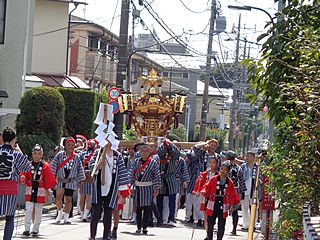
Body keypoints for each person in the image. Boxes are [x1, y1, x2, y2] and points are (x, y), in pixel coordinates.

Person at [89, 140, 130, 240]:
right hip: (98, 187)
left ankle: (106, 236)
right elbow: (91, 167)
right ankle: (92, 236)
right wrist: (98, 165)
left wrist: (122, 191)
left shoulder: (117, 155)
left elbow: (122, 172)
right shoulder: (98, 153)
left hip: (111, 187)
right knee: (96, 212)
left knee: (108, 213)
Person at [0, 127, 32, 240]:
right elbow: (28, 167)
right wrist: (18, 150)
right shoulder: (16, 154)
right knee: (9, 218)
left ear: (2, 139)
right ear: (14, 140)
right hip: (10, 190)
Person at [20, 144, 57, 236]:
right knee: (28, 209)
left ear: (42, 155)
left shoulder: (45, 166)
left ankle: (36, 229)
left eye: (39, 153)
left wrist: (48, 190)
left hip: (40, 188)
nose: (37, 155)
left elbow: (48, 179)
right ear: (32, 154)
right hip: (30, 187)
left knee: (38, 210)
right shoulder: (28, 164)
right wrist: (22, 177)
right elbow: (23, 175)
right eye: (35, 153)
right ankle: (27, 229)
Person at [201, 161, 240, 240]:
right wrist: (204, 192)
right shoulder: (213, 179)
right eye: (221, 169)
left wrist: (231, 205)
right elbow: (206, 186)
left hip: (223, 203)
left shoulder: (230, 182)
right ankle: (209, 238)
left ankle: (219, 238)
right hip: (213, 202)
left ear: (228, 171)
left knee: (221, 224)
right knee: (210, 222)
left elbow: (232, 195)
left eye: (225, 170)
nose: (222, 171)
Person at [51, 137, 85, 224]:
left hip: (71, 181)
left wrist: (81, 179)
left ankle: (66, 217)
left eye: (72, 145)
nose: (70, 147)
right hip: (60, 179)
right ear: (65, 146)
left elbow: (80, 169)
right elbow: (54, 166)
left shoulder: (77, 157)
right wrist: (52, 178)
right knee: (58, 198)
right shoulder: (59, 155)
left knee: (69, 199)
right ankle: (59, 212)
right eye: (69, 145)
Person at [185, 139, 220, 226]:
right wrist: (204, 144)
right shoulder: (202, 154)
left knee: (210, 201)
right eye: (211, 145)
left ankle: (207, 219)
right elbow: (193, 151)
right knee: (198, 201)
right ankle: (199, 218)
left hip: (212, 179)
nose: (212, 147)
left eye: (214, 146)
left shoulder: (217, 156)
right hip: (202, 178)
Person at [128, 142, 161, 235]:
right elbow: (131, 172)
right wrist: (129, 185)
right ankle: (138, 227)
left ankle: (145, 227)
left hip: (148, 187)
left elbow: (157, 176)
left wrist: (157, 188)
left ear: (149, 152)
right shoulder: (136, 161)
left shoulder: (153, 162)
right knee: (138, 208)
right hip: (138, 187)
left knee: (147, 208)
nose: (144, 153)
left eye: (146, 151)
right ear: (140, 152)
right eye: (142, 151)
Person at [157, 139, 188, 225]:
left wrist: (171, 145)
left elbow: (176, 153)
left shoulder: (178, 158)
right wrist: (165, 144)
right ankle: (159, 216)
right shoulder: (160, 155)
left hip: (171, 178)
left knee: (172, 198)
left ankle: (171, 216)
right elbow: (160, 152)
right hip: (161, 177)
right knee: (159, 197)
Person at [192, 156, 219, 239]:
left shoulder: (219, 175)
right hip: (205, 197)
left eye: (214, 162)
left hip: (216, 198)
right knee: (206, 217)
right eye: (210, 162)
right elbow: (198, 184)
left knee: (213, 218)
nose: (212, 164)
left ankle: (210, 233)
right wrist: (197, 191)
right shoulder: (204, 174)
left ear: (217, 164)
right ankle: (208, 235)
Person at [225, 150, 246, 235]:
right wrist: (241, 192)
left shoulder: (224, 167)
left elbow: (241, 180)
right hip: (234, 190)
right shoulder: (238, 168)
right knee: (234, 211)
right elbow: (242, 181)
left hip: (227, 189)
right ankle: (233, 229)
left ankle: (232, 228)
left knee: (224, 209)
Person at [240, 151, 262, 230]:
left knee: (254, 207)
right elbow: (240, 177)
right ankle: (246, 225)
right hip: (244, 190)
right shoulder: (243, 166)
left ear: (253, 158)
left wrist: (259, 180)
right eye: (246, 156)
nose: (247, 158)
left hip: (254, 190)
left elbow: (261, 178)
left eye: (248, 156)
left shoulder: (257, 167)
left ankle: (253, 225)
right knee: (245, 207)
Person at [79, 139, 98, 222]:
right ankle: (83, 213)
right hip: (84, 176)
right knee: (83, 196)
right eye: (90, 144)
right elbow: (79, 164)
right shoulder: (82, 154)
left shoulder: (97, 154)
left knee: (89, 196)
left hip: (92, 176)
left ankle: (85, 214)